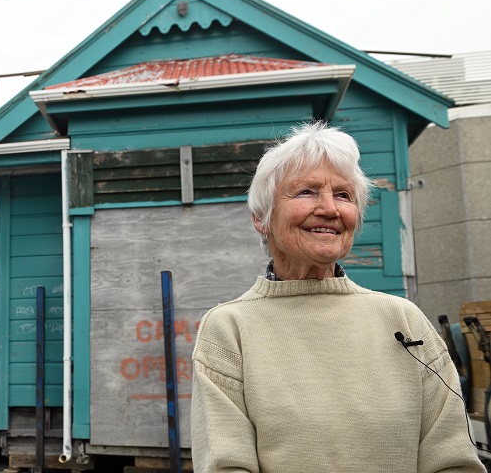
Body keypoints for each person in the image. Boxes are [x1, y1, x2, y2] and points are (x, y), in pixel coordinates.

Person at [190, 122, 484, 472]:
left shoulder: (403, 320)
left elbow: (453, 461)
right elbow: (226, 465)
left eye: (343, 195)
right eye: (306, 192)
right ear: (260, 217)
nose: (329, 208)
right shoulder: (229, 330)